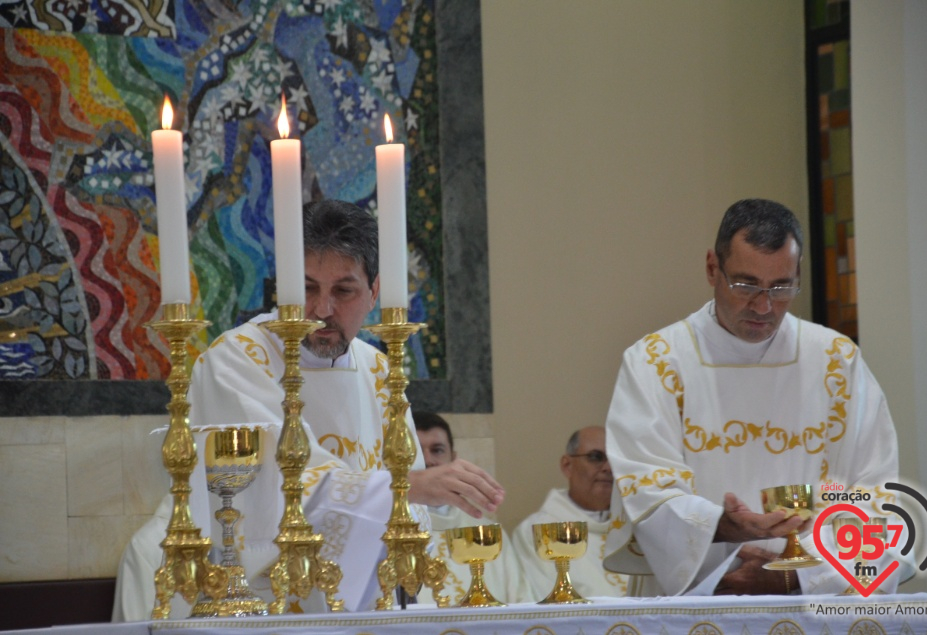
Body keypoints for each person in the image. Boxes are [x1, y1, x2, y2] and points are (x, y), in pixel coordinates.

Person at [113, 199, 504, 620]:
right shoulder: (237, 359)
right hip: (262, 605)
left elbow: (408, 508)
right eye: (307, 288)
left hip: (364, 607)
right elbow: (284, 484)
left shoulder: (376, 369)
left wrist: (427, 496)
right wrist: (409, 486)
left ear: (374, 292)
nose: (321, 310)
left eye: (344, 290)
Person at [603, 198, 913, 596]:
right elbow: (645, 488)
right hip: (697, 601)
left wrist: (796, 576)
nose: (764, 306)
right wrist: (720, 524)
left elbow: (876, 495)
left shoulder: (837, 362)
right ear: (713, 268)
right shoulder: (657, 362)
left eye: (781, 287)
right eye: (746, 285)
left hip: (811, 603)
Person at [514, 426, 660, 600]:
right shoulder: (538, 532)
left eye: (614, 459)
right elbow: (544, 597)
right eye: (595, 457)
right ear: (567, 466)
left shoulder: (638, 528)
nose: (608, 468)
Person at [413, 411, 532, 604]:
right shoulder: (388, 535)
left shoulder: (489, 535)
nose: (429, 461)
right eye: (417, 452)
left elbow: (521, 602)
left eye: (437, 450)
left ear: (454, 459)